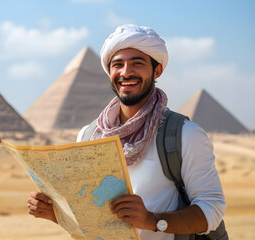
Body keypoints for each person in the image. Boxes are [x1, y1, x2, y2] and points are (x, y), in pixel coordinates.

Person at [27, 24, 226, 240]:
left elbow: (212, 210)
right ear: (109, 72)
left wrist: (152, 220)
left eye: (137, 63)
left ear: (157, 70)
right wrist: (55, 213)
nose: (126, 72)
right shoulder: (88, 135)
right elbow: (89, 215)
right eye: (117, 65)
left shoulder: (184, 135)